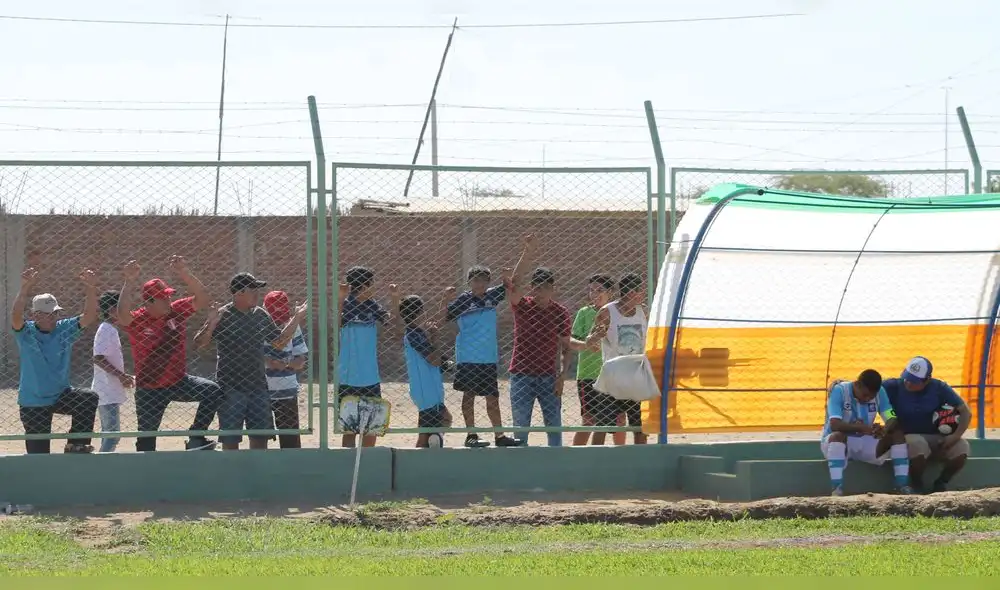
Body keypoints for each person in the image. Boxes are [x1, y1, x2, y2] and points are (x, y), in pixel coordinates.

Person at [116, 257, 223, 452]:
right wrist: (129, 281)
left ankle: (196, 437)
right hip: (149, 389)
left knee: (212, 391)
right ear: (149, 301)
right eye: (162, 297)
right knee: (146, 440)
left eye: (168, 296)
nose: (168, 300)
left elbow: (203, 298)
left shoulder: (177, 310)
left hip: (178, 381)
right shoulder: (139, 319)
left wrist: (184, 272)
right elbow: (122, 314)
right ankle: (148, 474)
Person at [194, 273, 309, 451]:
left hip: (258, 388)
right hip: (231, 388)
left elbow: (278, 342)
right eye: (253, 290)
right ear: (239, 293)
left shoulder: (260, 315)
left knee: (260, 438)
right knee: (230, 440)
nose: (257, 294)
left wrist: (296, 318)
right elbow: (199, 344)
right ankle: (234, 476)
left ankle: (257, 476)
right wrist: (211, 324)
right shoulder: (224, 314)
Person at [443, 239, 535, 448]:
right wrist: (444, 300)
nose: (480, 284)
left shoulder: (492, 296)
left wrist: (526, 251)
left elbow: (514, 279)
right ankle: (471, 435)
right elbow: (443, 317)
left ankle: (499, 436)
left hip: (488, 358)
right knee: (469, 396)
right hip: (467, 358)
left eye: (484, 281)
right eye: (476, 280)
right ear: (469, 282)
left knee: (492, 398)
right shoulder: (462, 302)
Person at [11, 267, 100, 454]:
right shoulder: (26, 332)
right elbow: (16, 317)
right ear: (36, 315)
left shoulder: (63, 329)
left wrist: (91, 288)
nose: (54, 318)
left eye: (55, 313)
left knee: (88, 398)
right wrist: (25, 288)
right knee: (39, 456)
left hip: (61, 395)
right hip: (33, 402)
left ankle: (76, 443)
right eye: (49, 314)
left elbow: (89, 316)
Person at [507, 260, 574, 447]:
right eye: (537, 287)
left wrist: (562, 376)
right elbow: (513, 286)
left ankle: (555, 466)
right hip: (521, 375)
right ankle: (521, 467)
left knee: (554, 427)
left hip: (548, 377)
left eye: (545, 287)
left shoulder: (560, 312)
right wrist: (526, 254)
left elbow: (566, 346)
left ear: (552, 289)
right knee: (520, 429)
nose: (540, 291)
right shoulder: (523, 306)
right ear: (531, 288)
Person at [882, 356, 971, 494]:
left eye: (914, 381)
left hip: (936, 436)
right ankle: (917, 484)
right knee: (917, 444)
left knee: (962, 447)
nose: (908, 383)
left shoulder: (939, 387)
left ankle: (941, 482)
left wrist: (955, 436)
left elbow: (965, 411)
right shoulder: (892, 386)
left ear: (927, 380)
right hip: (908, 435)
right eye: (907, 377)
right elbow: (869, 389)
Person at [821, 369, 913, 496]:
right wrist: (861, 428)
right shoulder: (840, 391)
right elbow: (835, 424)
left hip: (864, 442)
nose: (868, 399)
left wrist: (884, 430)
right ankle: (837, 490)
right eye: (865, 395)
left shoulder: (880, 392)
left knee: (897, 435)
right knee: (838, 436)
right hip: (837, 444)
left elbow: (891, 418)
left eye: (871, 397)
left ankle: (901, 486)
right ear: (857, 384)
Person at [337, 266, 400, 448]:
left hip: (370, 377)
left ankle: (367, 462)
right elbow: (337, 324)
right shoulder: (346, 304)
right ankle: (348, 466)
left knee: (371, 428)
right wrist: (340, 298)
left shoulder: (372, 305)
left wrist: (395, 300)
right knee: (349, 429)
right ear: (364, 286)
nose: (374, 288)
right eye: (372, 284)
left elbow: (392, 325)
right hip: (348, 378)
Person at [586, 273, 650, 445]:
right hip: (613, 378)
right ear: (631, 293)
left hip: (636, 376)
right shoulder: (607, 312)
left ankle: (640, 461)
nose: (643, 294)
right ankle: (594, 462)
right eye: (640, 291)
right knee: (603, 426)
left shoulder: (642, 311)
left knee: (640, 427)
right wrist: (594, 337)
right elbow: (591, 341)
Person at [400, 295, 453, 448]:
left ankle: (436, 438)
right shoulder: (413, 335)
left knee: (445, 418)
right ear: (418, 313)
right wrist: (435, 337)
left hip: (430, 389)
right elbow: (434, 359)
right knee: (425, 434)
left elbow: (436, 359)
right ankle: (432, 444)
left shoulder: (418, 333)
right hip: (425, 390)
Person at [571, 274, 617, 446]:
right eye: (591, 290)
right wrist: (586, 345)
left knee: (610, 421)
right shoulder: (584, 313)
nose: (594, 294)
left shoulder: (616, 313)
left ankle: (606, 455)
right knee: (589, 420)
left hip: (611, 372)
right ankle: (577, 456)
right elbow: (571, 341)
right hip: (588, 374)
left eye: (600, 290)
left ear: (610, 292)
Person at [262, 290, 310, 449]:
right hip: (261, 391)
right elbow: (266, 355)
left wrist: (284, 363)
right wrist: (267, 360)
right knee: (260, 438)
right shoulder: (258, 324)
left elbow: (300, 360)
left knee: (290, 439)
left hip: (286, 390)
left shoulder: (292, 326)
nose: (278, 321)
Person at [91, 291, 135, 453]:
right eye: (122, 307)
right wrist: (121, 376)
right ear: (111, 310)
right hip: (106, 390)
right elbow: (98, 358)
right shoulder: (106, 329)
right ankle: (102, 467)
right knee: (112, 435)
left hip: (109, 389)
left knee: (109, 434)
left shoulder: (110, 329)